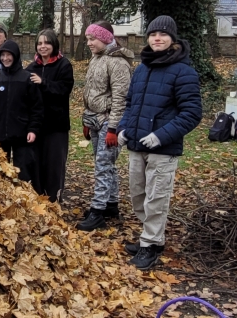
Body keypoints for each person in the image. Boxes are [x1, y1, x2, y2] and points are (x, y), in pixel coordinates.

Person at [117, 15, 202, 270]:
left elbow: (192, 113)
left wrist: (161, 135)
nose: (158, 38)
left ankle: (151, 244)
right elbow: (131, 104)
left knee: (156, 198)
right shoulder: (142, 68)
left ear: (172, 40)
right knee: (138, 196)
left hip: (163, 148)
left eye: (163, 35)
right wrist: (123, 128)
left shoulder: (184, 72)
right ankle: (151, 236)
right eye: (154, 34)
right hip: (137, 145)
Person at [76, 20, 134, 232]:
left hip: (109, 122)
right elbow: (93, 92)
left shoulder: (117, 63)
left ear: (105, 38)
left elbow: (121, 98)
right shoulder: (97, 59)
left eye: (93, 39)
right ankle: (111, 204)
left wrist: (113, 128)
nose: (89, 43)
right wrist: (87, 119)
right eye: (88, 39)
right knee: (107, 164)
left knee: (103, 164)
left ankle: (98, 211)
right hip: (95, 119)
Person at [0, 40, 43, 183]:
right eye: (3, 55)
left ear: (16, 56)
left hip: (22, 134)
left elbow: (36, 108)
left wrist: (33, 129)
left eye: (9, 55)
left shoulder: (27, 78)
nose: (5, 58)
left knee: (23, 173)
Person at [25, 29, 74, 202]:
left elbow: (64, 89)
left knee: (54, 165)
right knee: (36, 164)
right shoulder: (32, 68)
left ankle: (54, 200)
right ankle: (38, 200)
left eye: (47, 43)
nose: (43, 46)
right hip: (37, 126)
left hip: (56, 125)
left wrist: (43, 83)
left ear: (54, 45)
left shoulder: (64, 65)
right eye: (40, 43)